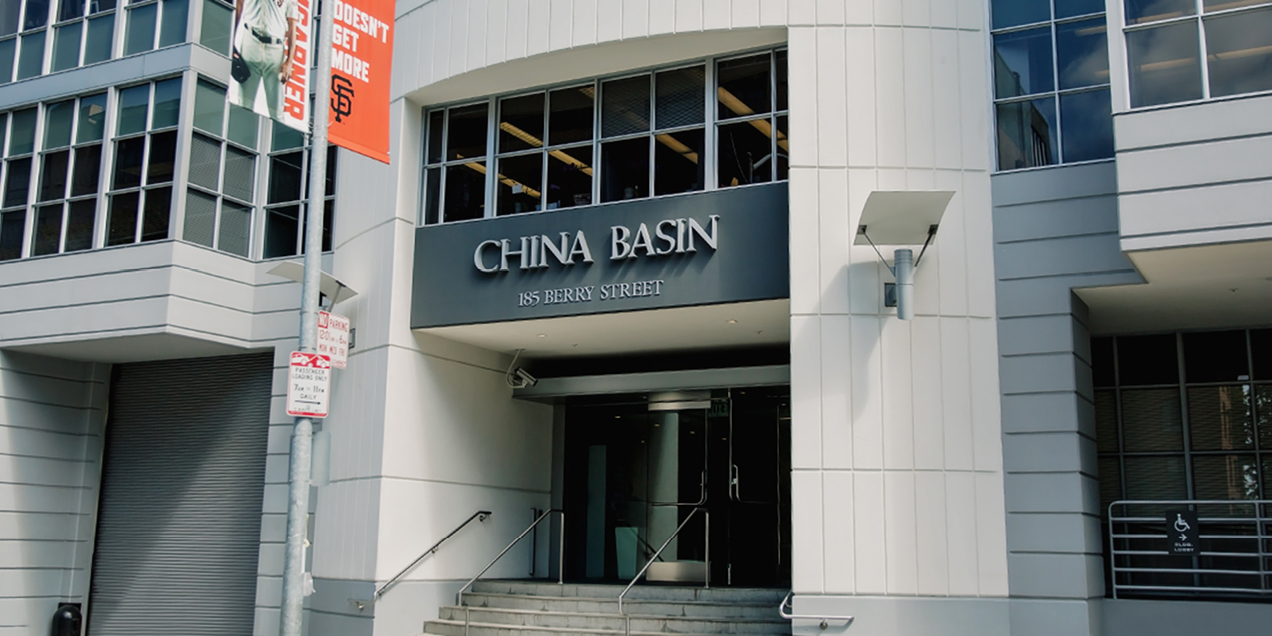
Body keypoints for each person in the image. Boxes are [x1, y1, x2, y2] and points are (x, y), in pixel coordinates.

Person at [233, 0, 299, 121]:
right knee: (243, 103)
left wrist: (289, 62)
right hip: (251, 40)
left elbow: (292, 27)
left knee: (276, 109)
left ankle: (276, 139)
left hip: (275, 48)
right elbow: (239, 4)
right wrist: (230, 38)